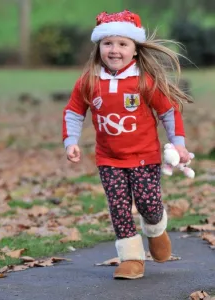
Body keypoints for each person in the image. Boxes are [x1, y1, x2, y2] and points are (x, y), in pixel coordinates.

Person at [62, 9, 193, 280]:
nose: (114, 50)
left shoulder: (145, 81)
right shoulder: (88, 81)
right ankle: (131, 259)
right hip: (109, 158)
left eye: (122, 44)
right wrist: (71, 141)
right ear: (98, 47)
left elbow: (168, 112)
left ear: (134, 50)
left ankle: (156, 231)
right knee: (119, 208)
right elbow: (74, 112)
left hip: (145, 156)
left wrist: (177, 143)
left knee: (148, 204)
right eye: (107, 43)